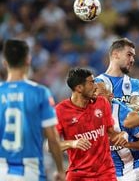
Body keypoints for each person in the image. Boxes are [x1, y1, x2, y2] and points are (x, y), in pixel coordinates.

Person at [0, 39, 65, 180]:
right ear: (28, 60)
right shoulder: (40, 92)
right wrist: (60, 170)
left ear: (5, 62)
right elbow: (52, 137)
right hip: (31, 169)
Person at [55, 68, 129, 180]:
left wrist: (121, 135)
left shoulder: (102, 103)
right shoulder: (61, 111)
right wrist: (72, 143)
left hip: (105, 173)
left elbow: (110, 133)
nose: (96, 86)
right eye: (91, 83)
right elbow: (50, 146)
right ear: (79, 88)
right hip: (79, 174)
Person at [95, 37, 139, 180]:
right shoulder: (97, 84)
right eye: (129, 54)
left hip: (136, 160)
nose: (132, 59)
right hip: (107, 161)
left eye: (133, 56)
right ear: (115, 54)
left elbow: (134, 119)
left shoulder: (135, 84)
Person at [96, 82, 139, 181]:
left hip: (132, 171)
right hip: (108, 172)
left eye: (100, 96)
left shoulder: (124, 114)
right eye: (93, 96)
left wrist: (128, 145)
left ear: (110, 96)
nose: (95, 100)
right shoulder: (91, 113)